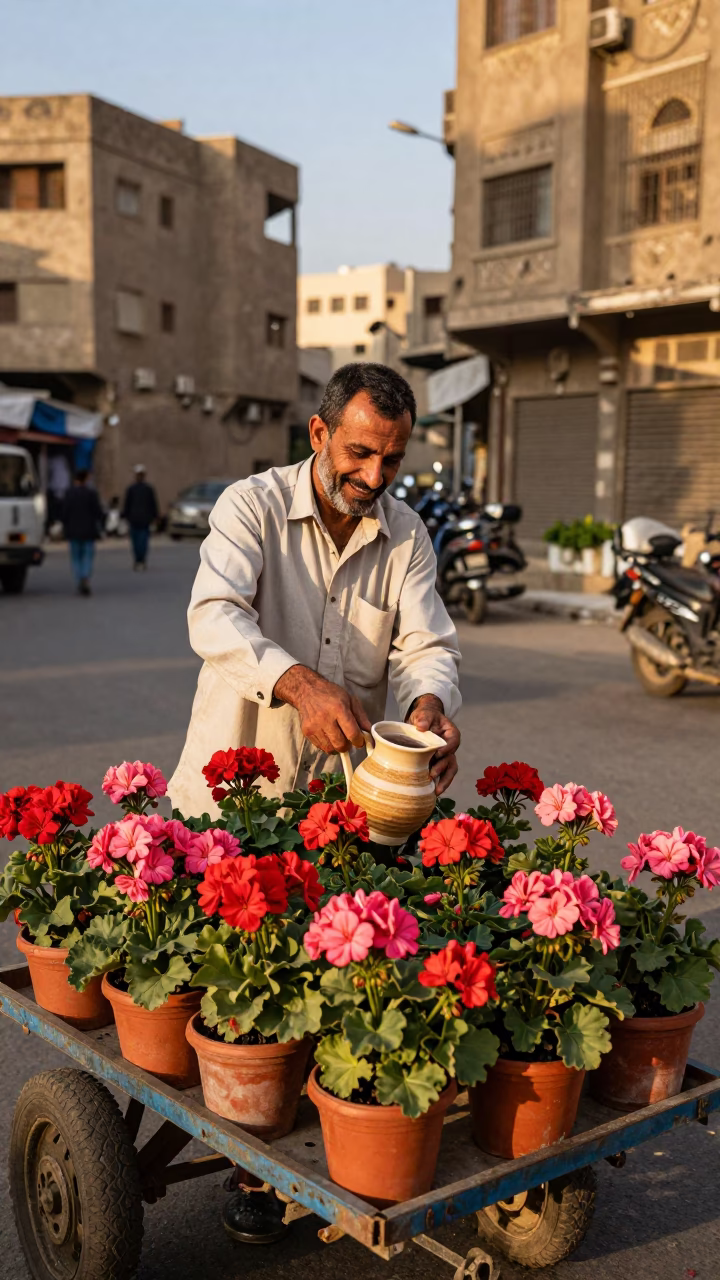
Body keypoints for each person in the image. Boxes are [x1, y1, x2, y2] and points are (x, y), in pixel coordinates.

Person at [168, 362, 462, 1242]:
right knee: (247, 1000)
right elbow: (213, 612)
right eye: (362, 454)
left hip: (345, 810)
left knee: (323, 985)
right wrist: (297, 683)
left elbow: (426, 644)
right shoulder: (249, 507)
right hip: (237, 798)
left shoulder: (405, 535)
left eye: (394, 462)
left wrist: (427, 707)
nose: (375, 478)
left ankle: (326, 1143)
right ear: (319, 435)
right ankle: (252, 1174)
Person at [61, 470, 104, 596]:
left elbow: (64, 513)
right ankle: (85, 577)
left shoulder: (69, 494)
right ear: (86, 479)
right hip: (89, 530)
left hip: (73, 531)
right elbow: (98, 512)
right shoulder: (91, 493)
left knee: (75, 557)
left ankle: (79, 578)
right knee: (88, 556)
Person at [121, 464, 159, 569]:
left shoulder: (147, 489)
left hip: (142, 520)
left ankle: (140, 560)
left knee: (142, 541)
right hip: (136, 519)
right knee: (137, 541)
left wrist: (155, 517)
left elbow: (153, 504)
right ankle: (139, 559)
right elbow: (127, 504)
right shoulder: (132, 489)